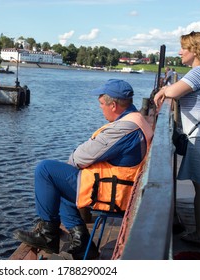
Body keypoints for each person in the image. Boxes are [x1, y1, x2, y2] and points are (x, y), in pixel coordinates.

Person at [14, 79, 154, 259]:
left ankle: (47, 234)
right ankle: (82, 243)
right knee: (62, 184)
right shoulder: (137, 119)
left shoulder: (124, 129)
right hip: (126, 189)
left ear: (113, 106)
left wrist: (70, 165)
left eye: (102, 104)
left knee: (45, 170)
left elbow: (80, 157)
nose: (100, 107)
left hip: (116, 195)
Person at [154, 31, 200, 246]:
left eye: (183, 47)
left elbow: (174, 92)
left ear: (195, 50)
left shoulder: (198, 72)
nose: (180, 52)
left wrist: (164, 89)